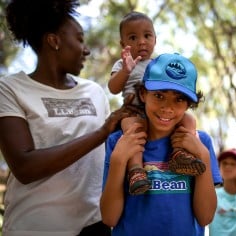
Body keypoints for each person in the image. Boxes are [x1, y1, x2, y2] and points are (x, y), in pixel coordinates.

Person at [0, 0, 138, 235]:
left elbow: (111, 156)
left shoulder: (94, 91)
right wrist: (101, 133)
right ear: (54, 41)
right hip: (34, 227)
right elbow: (25, 167)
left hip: (96, 226)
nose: (86, 49)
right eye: (80, 39)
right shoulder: (10, 89)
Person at [100, 53, 223, 236]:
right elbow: (109, 218)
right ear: (143, 94)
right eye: (159, 95)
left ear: (189, 104)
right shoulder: (120, 142)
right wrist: (118, 159)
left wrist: (203, 156)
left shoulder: (200, 143)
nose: (167, 107)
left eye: (179, 99)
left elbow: (205, 217)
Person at [108, 11, 205, 195]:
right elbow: (113, 88)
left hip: (157, 111)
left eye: (147, 35)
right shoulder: (122, 64)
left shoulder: (158, 65)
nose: (141, 41)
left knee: (189, 120)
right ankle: (136, 170)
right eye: (133, 37)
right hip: (133, 110)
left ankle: (180, 154)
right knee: (133, 130)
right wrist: (125, 71)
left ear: (155, 39)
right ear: (123, 44)